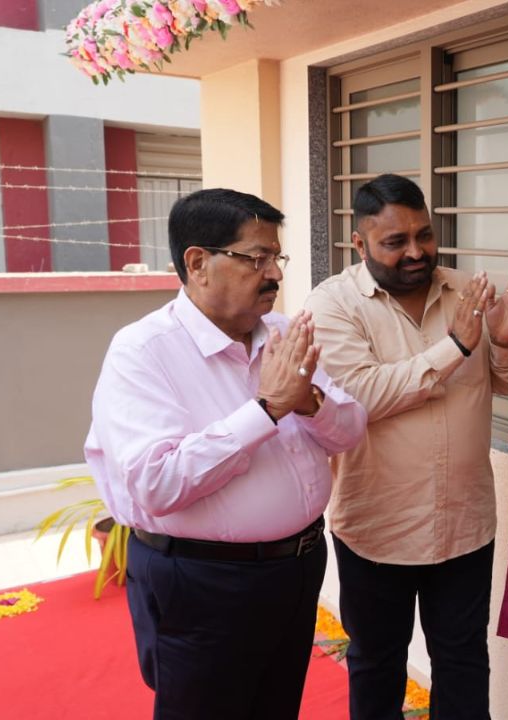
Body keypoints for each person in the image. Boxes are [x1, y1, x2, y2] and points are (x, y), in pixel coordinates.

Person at [84, 188, 368, 719]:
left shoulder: (283, 333)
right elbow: (156, 484)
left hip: (298, 565)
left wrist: (307, 400)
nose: (275, 274)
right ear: (197, 263)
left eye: (276, 258)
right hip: (202, 582)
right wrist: (266, 410)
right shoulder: (142, 352)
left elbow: (350, 430)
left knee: (276, 705)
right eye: (255, 258)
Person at [305, 174, 508, 720]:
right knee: (376, 664)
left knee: (462, 663)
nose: (416, 252)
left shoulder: (465, 292)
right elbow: (362, 397)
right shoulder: (333, 306)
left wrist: (502, 343)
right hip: (377, 530)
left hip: (465, 526)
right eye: (395, 241)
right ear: (359, 244)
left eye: (424, 235)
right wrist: (455, 346)